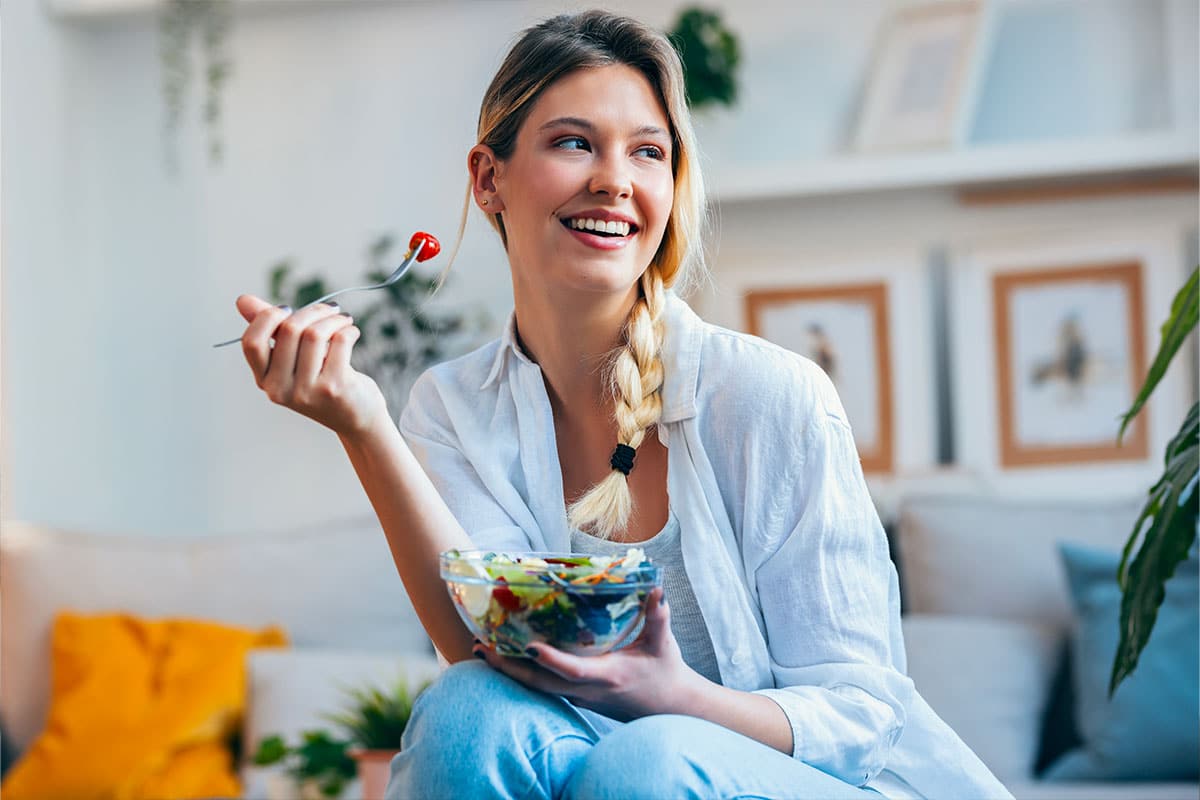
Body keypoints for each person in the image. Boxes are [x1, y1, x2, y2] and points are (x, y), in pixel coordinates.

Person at [235, 10, 1010, 800]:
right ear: (488, 178)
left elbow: (860, 718)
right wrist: (364, 425)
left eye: (647, 152)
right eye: (575, 143)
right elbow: (487, 654)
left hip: (825, 783)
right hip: (606, 771)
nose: (615, 179)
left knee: (651, 759)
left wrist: (673, 698)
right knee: (468, 712)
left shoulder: (772, 397)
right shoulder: (453, 408)